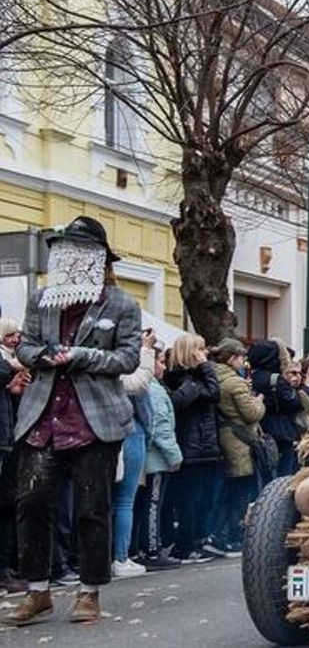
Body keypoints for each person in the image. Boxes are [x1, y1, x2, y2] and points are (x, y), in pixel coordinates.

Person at [4, 216, 141, 626]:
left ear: (97, 259)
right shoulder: (42, 298)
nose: (65, 256)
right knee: (30, 503)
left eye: (76, 249)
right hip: (42, 417)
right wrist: (39, 355)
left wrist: (81, 356)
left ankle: (89, 592)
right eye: (62, 248)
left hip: (93, 421)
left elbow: (128, 359)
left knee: (90, 509)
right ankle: (37, 592)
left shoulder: (121, 304)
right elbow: (25, 345)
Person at [161, 333, 223, 561]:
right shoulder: (183, 380)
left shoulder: (192, 379)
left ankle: (194, 541)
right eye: (201, 349)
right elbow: (214, 393)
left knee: (199, 498)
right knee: (189, 500)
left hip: (202, 447)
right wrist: (205, 367)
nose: (206, 353)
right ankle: (184, 545)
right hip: (192, 447)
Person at [110, 328, 159, 578]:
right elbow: (142, 394)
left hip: (104, 432)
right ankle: (120, 557)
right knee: (125, 499)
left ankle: (101, 557)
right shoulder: (126, 366)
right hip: (130, 431)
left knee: (103, 500)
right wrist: (146, 350)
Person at [211, 338, 265, 555]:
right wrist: (259, 401)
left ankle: (219, 534)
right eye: (242, 357)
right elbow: (251, 413)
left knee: (227, 491)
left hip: (227, 437)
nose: (244, 362)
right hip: (239, 442)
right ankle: (233, 536)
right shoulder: (234, 382)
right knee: (239, 491)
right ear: (232, 357)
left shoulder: (216, 376)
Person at [134, 345, 182, 570]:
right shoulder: (153, 390)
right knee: (152, 504)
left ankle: (146, 547)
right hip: (157, 458)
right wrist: (174, 455)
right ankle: (151, 550)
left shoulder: (154, 387)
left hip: (154, 456)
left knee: (149, 503)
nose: (163, 366)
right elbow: (160, 425)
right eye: (160, 361)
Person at [0, 317, 29, 594]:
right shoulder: (8, 363)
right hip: (4, 440)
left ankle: (5, 569)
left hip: (9, 440)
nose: (15, 340)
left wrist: (14, 390)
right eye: (10, 335)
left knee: (8, 506)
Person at [249, 339, 303, 477]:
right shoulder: (276, 379)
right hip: (281, 430)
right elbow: (293, 403)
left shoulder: (252, 377)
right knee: (283, 473)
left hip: (261, 429)